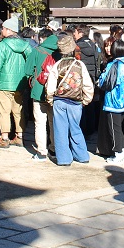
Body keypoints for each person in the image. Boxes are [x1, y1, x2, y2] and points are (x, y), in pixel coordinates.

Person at [45, 33, 93, 166]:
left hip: (59, 101)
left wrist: (50, 99)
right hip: (76, 102)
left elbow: (50, 86)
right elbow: (88, 85)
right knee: (76, 128)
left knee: (60, 130)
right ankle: (82, 155)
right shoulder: (80, 65)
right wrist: (86, 100)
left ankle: (64, 159)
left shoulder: (58, 65)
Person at [0, 17, 31, 148]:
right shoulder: (26, 46)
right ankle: (20, 136)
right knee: (18, 111)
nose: (2, 31)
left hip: (3, 83)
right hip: (20, 83)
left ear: (10, 30)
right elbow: (31, 63)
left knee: (4, 111)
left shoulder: (2, 46)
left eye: (4, 28)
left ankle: (4, 138)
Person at [99, 38, 124, 164]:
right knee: (120, 126)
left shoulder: (113, 65)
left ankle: (118, 153)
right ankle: (122, 149)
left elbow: (104, 82)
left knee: (114, 128)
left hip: (113, 101)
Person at [25, 29, 58, 161]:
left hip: (39, 91)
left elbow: (27, 71)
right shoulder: (60, 52)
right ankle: (55, 148)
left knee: (40, 122)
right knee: (54, 121)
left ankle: (41, 151)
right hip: (56, 92)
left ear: (43, 38)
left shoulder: (37, 50)